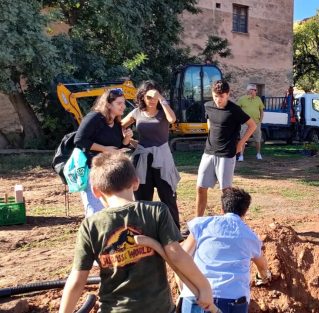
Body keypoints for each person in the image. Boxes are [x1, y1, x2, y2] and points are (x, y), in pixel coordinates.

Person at [58, 152, 214, 313]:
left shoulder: (90, 226)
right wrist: (204, 287)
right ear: (136, 182)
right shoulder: (156, 211)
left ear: (95, 191)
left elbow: (77, 280)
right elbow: (176, 255)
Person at [180, 187, 271, 313]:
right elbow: (262, 266)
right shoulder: (250, 236)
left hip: (195, 296)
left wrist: (183, 289)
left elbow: (181, 257)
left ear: (222, 209)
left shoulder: (202, 225)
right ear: (245, 212)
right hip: (231, 300)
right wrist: (263, 276)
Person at [122, 81, 181, 229]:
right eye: (149, 96)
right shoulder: (137, 112)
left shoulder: (163, 111)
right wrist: (129, 140)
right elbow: (119, 126)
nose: (152, 100)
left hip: (162, 158)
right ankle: (143, 231)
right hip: (142, 160)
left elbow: (172, 119)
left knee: (168, 197)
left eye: (155, 96)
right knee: (142, 198)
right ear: (142, 97)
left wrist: (161, 99)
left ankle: (174, 231)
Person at [196, 80, 256, 217]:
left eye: (221, 96)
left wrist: (240, 143)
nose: (218, 100)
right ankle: (197, 222)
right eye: (215, 96)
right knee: (200, 187)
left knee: (226, 193)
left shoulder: (234, 110)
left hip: (226, 155)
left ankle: (226, 221)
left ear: (228, 95)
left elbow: (252, 125)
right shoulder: (208, 106)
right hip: (209, 152)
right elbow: (209, 122)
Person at [74, 88, 133, 216]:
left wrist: (126, 140)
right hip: (93, 170)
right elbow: (79, 140)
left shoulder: (117, 123)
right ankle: (94, 235)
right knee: (95, 211)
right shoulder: (94, 117)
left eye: (124, 103)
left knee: (110, 210)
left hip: (110, 172)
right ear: (108, 104)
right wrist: (105, 149)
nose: (123, 106)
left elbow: (117, 147)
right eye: (119, 103)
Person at [237, 84, 265, 161]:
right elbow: (237, 111)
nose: (255, 91)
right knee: (243, 139)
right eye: (254, 90)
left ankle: (258, 154)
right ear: (249, 90)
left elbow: (261, 111)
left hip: (256, 123)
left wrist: (260, 121)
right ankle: (241, 155)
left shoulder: (258, 99)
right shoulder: (242, 99)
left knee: (257, 139)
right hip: (245, 123)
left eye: (255, 90)